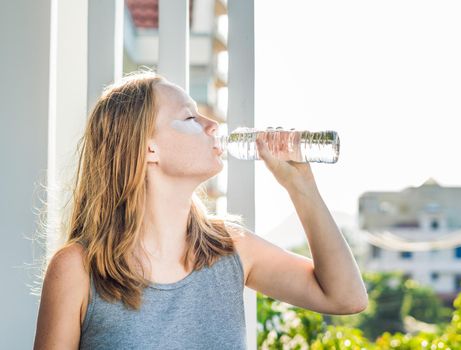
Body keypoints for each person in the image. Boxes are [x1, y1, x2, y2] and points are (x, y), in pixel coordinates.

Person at [33, 71, 368, 349]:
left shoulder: (231, 247)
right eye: (190, 117)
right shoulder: (78, 269)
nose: (212, 125)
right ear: (148, 148)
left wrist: (301, 186)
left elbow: (345, 297)